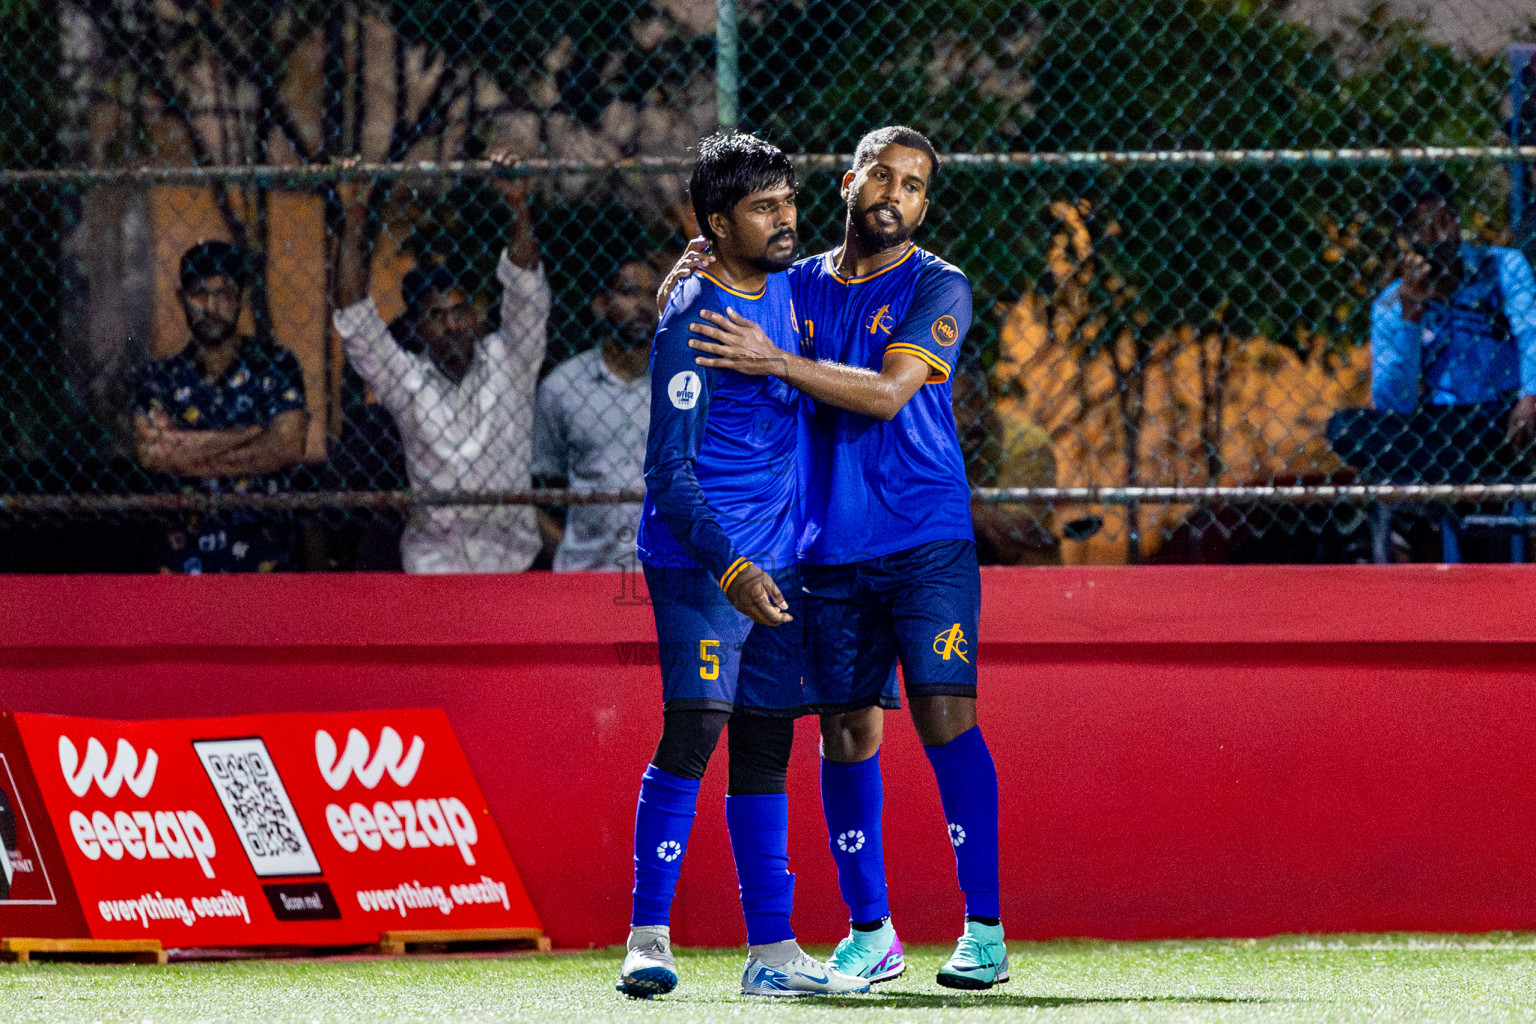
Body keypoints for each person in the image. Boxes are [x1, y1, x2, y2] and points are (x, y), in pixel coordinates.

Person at [673, 126, 1005, 989]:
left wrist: (778, 359)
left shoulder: (939, 284)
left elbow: (893, 392)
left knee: (943, 719)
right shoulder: (793, 285)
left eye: (917, 185)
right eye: (884, 177)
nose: (898, 194)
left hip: (925, 538)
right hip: (823, 547)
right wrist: (696, 267)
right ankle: (872, 931)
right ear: (850, 182)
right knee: (846, 728)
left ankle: (985, 929)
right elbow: (731, 290)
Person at [618, 132, 866, 1000]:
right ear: (719, 223)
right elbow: (669, 477)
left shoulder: (796, 290)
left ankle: (773, 952)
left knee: (766, 746)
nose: (786, 219)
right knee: (693, 732)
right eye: (763, 208)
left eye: (790, 202)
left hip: (780, 559)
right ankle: (647, 939)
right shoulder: (694, 317)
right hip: (701, 558)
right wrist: (730, 568)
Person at [332, 151, 549, 574]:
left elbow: (525, 291)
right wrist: (356, 215)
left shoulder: (513, 361)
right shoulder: (405, 379)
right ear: (417, 329)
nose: (452, 325)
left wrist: (517, 207)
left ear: (476, 314)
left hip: (512, 561)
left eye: (459, 311)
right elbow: (356, 316)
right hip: (434, 565)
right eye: (435, 315)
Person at [1329, 173, 1536, 486]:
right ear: (1406, 238)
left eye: (1440, 221)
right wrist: (1411, 316)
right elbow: (1394, 404)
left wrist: (1531, 396)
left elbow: (1531, 332)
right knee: (1344, 429)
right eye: (1420, 228)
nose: (1434, 236)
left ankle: (1457, 475)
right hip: (1439, 427)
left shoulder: (1503, 266)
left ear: (1454, 221)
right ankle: (1462, 476)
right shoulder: (1391, 304)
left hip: (1504, 414)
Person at [132, 241, 309, 573]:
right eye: (199, 294)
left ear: (240, 295)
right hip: (185, 562)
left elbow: (287, 446)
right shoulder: (159, 378)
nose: (211, 307)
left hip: (263, 559)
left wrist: (188, 453)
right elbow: (154, 453)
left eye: (223, 294)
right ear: (180, 298)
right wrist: (249, 434)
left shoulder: (275, 364)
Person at [531, 253, 659, 572]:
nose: (643, 305)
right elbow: (539, 485)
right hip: (589, 572)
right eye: (630, 292)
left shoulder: (681, 385)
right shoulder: (562, 388)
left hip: (669, 574)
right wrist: (564, 550)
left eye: (653, 295)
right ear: (601, 303)